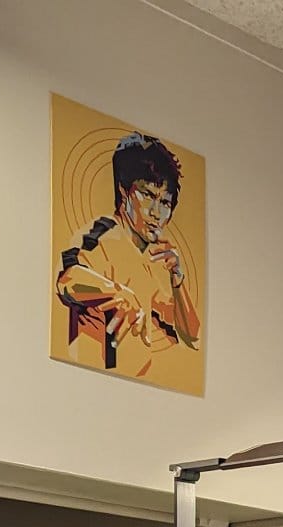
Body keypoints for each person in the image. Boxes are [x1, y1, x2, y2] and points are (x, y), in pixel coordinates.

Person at [56, 132, 202, 380]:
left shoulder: (158, 259)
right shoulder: (102, 233)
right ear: (124, 192)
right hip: (93, 382)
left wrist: (178, 280)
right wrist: (116, 292)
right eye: (147, 196)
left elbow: (192, 337)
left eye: (165, 202)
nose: (157, 212)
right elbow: (66, 281)